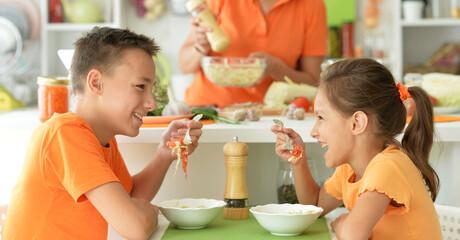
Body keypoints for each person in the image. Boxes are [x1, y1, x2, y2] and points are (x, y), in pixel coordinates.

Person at [2, 27, 203, 239]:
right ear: (96, 83)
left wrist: (165, 153)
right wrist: (151, 214)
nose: (151, 102)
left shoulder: (101, 139)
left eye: (151, 88)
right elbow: (135, 226)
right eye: (140, 86)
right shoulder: (65, 134)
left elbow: (128, 197)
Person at [271, 58, 442, 239]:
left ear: (357, 123)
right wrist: (298, 161)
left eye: (321, 117)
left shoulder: (388, 166)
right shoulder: (351, 168)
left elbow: (352, 236)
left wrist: (341, 224)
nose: (313, 132)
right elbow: (315, 205)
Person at [178, 0, 328, 108]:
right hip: (210, 110)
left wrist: (277, 69)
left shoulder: (312, 5)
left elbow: (313, 81)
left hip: (270, 115)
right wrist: (200, 47)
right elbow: (184, 66)